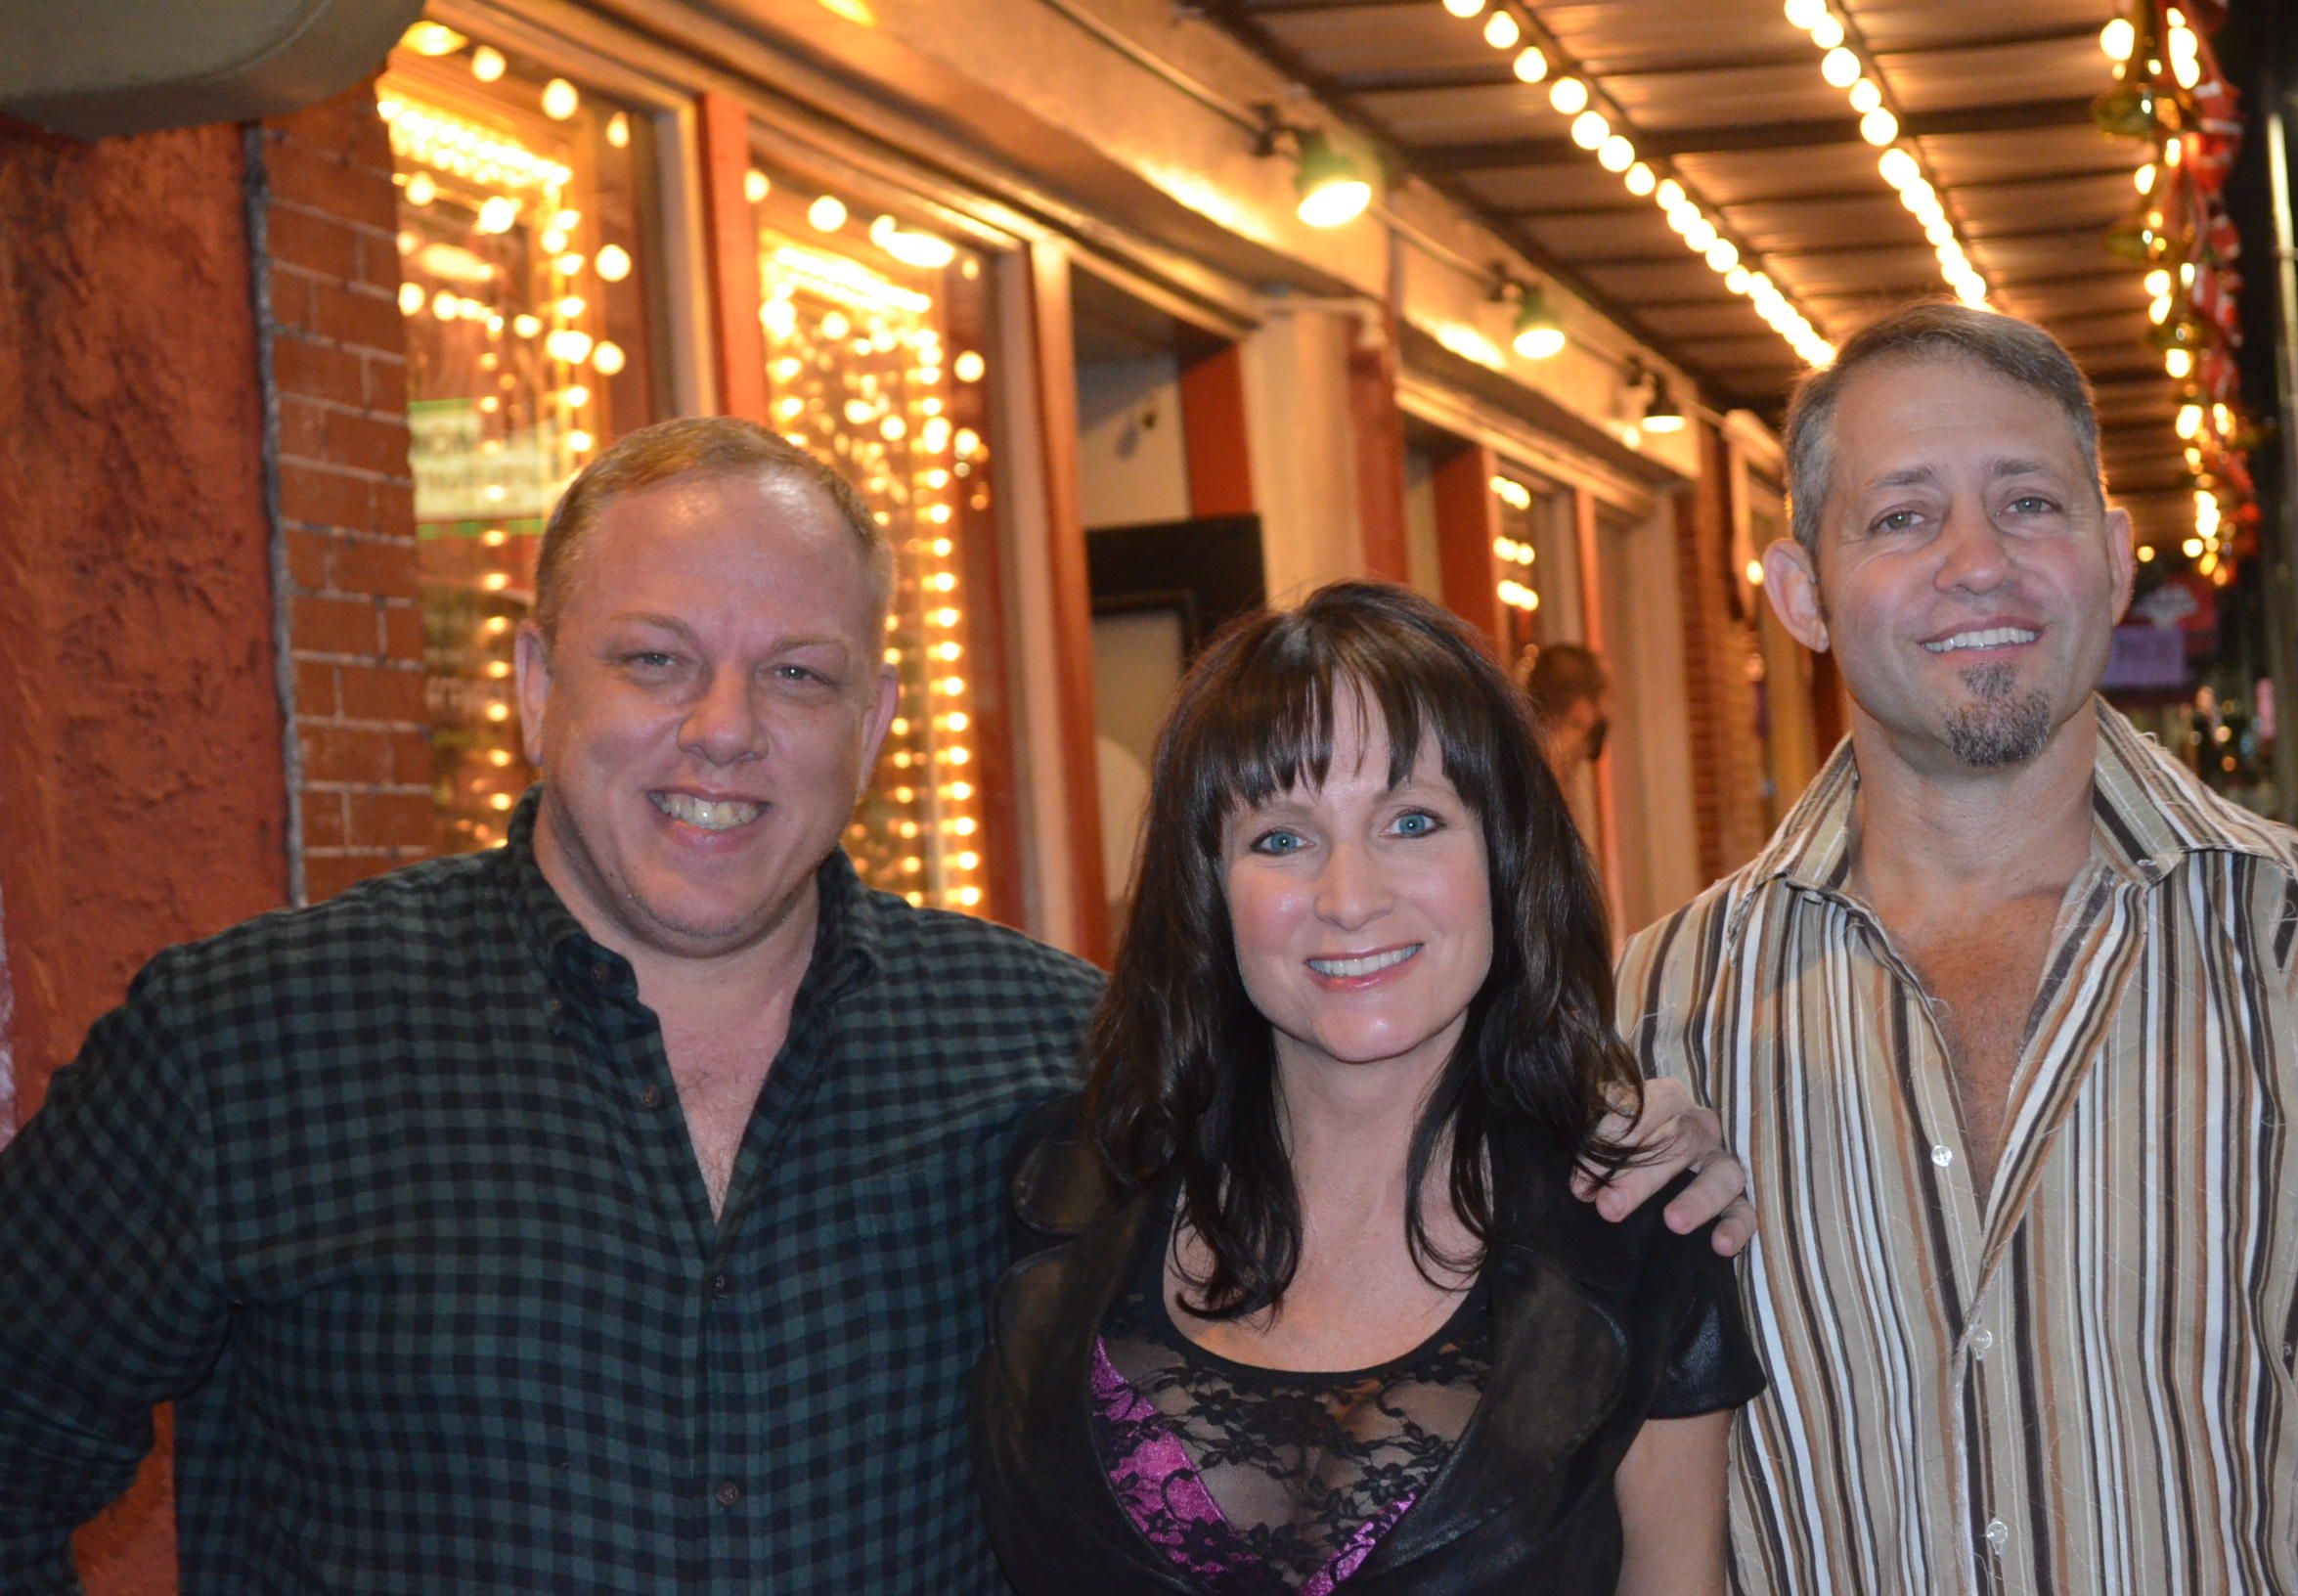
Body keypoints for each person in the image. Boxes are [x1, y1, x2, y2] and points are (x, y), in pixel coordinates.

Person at [0, 418, 1751, 1594]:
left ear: (876, 722)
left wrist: (1605, 1124)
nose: (722, 733)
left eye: (797, 673)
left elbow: (1348, 1122)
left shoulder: (1049, 1061)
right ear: (534, 685)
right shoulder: (246, 1048)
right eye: (653, 660)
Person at [1615, 302, 2298, 1593]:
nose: (1978, 562)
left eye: (2028, 504)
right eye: (1902, 517)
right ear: (1801, 594)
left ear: (2112, 557)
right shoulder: (1664, 1014)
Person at [974, 581, 1764, 1594]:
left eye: (1413, 821)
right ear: (1207, 890)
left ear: (1505, 858)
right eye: (1281, 839)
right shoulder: (1057, 1190)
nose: (1349, 898)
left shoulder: (1637, 1228)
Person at [1525, 641, 1613, 796]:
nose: (1610, 713)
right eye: (1607, 700)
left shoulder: (1530, 767)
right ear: (1582, 709)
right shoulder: (1540, 786)